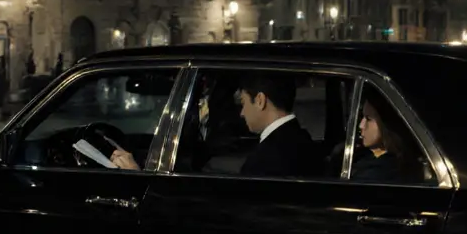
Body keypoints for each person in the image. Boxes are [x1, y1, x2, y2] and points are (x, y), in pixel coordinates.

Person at [112, 71, 322, 177]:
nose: (241, 113)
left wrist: (136, 176)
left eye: (243, 103)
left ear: (260, 100)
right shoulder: (300, 141)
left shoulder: (268, 160)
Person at [350, 91, 422, 183]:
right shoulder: (368, 156)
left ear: (385, 123)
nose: (361, 125)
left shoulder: (381, 171)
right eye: (362, 117)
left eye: (368, 119)